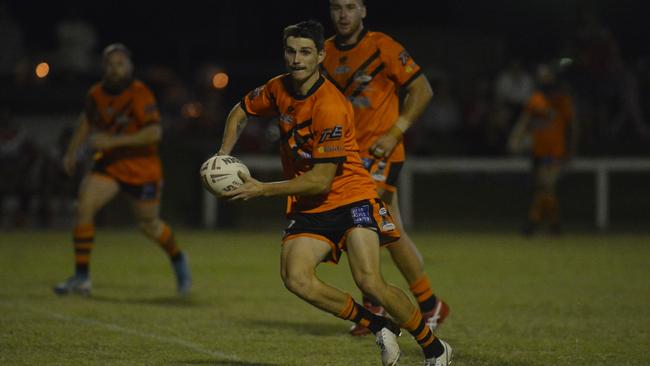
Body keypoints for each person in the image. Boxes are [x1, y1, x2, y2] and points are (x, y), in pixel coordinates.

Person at [217, 20, 451, 366]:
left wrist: (262, 189)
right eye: (291, 51)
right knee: (296, 279)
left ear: (320, 56)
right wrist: (224, 155)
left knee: (370, 282)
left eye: (306, 52)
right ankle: (377, 325)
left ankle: (434, 348)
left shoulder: (330, 105)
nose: (297, 59)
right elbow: (240, 111)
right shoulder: (277, 88)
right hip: (311, 205)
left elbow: (321, 180)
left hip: (351, 196)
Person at [322, 0, 449, 336]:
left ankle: (416, 304)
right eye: (337, 7)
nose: (343, 14)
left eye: (351, 7)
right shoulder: (323, 53)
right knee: (387, 232)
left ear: (363, 11)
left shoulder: (383, 46)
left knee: (366, 221)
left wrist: (395, 132)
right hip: (346, 156)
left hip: (380, 152)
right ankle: (404, 304)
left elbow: (422, 90)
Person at [53, 43, 191, 296]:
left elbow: (154, 132)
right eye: (110, 64)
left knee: (149, 224)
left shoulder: (140, 94)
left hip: (142, 168)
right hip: (110, 166)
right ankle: (82, 278)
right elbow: (86, 120)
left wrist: (112, 141)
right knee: (84, 208)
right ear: (103, 67)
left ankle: (179, 259)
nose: (115, 69)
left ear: (129, 67)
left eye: (120, 64)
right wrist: (72, 152)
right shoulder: (96, 93)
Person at [508, 63, 578, 235]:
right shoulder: (536, 98)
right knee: (544, 188)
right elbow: (525, 121)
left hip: (555, 151)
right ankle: (554, 224)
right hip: (539, 151)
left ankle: (533, 222)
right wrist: (515, 139)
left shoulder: (562, 99)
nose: (544, 78)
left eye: (546, 74)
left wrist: (572, 148)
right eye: (541, 75)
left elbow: (572, 125)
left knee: (547, 185)